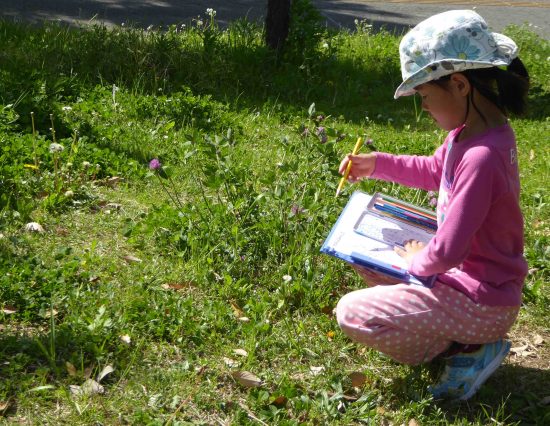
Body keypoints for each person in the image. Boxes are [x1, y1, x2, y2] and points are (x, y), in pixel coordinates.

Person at [335, 9, 529, 401]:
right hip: (469, 283)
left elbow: (450, 249)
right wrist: (377, 164)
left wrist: (413, 264)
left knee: (351, 313)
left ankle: (466, 350)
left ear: (459, 84)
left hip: (482, 303)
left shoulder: (482, 156)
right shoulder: (470, 135)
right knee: (367, 260)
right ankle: (453, 335)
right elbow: (432, 170)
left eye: (424, 95)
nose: (423, 106)